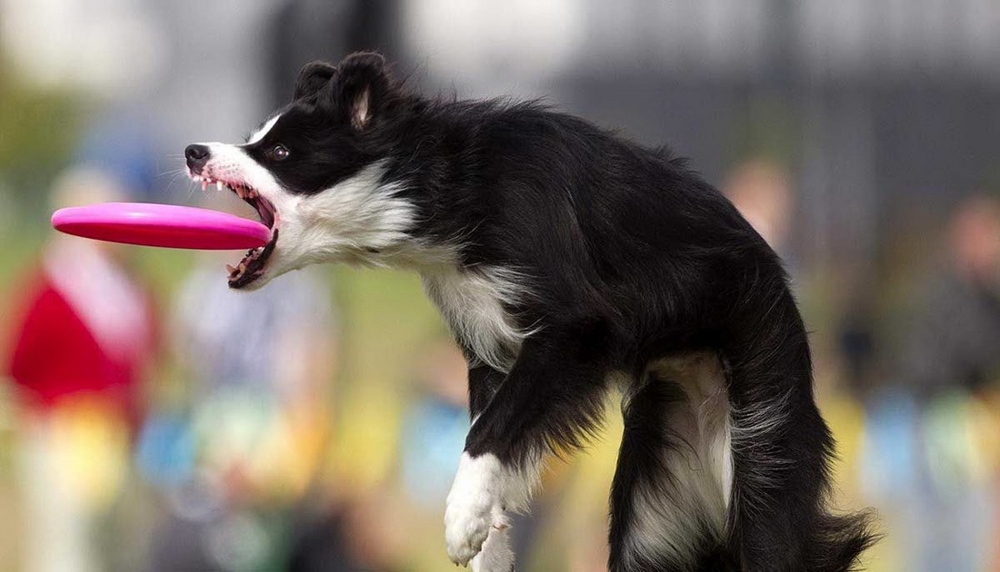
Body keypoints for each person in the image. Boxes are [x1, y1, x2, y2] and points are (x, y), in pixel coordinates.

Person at [5, 166, 159, 572]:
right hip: (62, 436)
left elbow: (148, 357)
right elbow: (19, 365)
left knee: (117, 547)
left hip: (120, 436)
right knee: (66, 550)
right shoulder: (50, 290)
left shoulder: (131, 289)